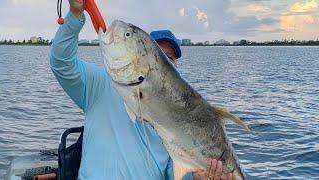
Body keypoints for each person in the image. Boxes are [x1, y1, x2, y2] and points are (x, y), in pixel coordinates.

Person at [50, 0, 233, 179]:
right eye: (158, 56)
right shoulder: (98, 84)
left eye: (170, 59)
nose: (163, 63)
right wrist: (75, 16)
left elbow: (174, 173)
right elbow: (61, 63)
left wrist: (197, 177)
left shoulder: (180, 113)